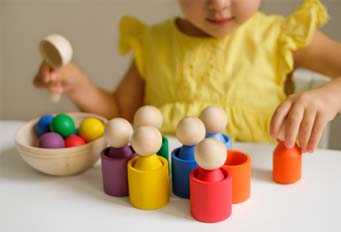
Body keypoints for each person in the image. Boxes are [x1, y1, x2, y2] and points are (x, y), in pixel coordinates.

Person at [33, 0, 341, 153]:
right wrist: (78, 84)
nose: (218, 3)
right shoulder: (153, 42)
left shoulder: (280, 36)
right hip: (162, 194)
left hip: (257, 193)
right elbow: (122, 115)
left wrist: (330, 95)